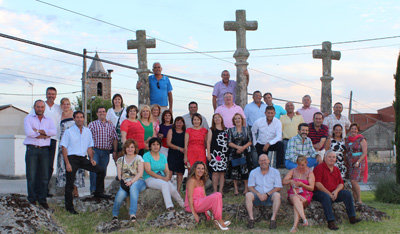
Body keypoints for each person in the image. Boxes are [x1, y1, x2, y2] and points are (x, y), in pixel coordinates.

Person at [61, 111, 110, 214]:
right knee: (70, 183)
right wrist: (67, 163)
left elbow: (89, 146)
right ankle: (69, 207)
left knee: (101, 170)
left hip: (83, 158)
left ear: (84, 119)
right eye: (77, 117)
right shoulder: (68, 132)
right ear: (74, 119)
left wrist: (91, 159)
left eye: (81, 117)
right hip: (72, 158)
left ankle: (98, 192)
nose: (79, 119)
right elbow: (64, 148)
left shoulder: (87, 131)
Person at [312, 150, 361, 230]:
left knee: (347, 193)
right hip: (319, 192)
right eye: (329, 157)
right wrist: (329, 194)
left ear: (336, 159)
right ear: (325, 158)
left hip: (333, 192)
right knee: (326, 197)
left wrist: (336, 192)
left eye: (333, 157)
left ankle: (352, 218)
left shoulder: (336, 169)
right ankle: (331, 222)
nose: (332, 159)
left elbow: (341, 183)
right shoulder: (319, 168)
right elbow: (317, 184)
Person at [24, 100, 56, 208]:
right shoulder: (28, 118)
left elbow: (53, 132)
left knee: (44, 176)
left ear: (44, 108)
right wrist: (44, 134)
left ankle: (42, 200)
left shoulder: (49, 120)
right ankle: (32, 199)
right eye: (38, 107)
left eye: (42, 107)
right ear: (35, 107)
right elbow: (29, 133)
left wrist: (37, 131)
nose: (40, 109)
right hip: (32, 150)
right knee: (32, 176)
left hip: (44, 150)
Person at [30, 87, 61, 197]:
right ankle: (36, 191)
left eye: (53, 94)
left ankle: (44, 190)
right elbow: (31, 121)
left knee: (49, 167)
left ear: (56, 95)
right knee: (39, 166)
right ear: (46, 94)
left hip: (53, 140)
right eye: (49, 94)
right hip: (40, 140)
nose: (51, 96)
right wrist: (43, 133)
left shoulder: (58, 108)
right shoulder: (41, 106)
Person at [185, 161, 230, 231]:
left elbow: (204, 196)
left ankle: (218, 219)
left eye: (202, 169)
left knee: (218, 195)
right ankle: (219, 220)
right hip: (193, 204)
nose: (201, 170)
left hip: (200, 203)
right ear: (194, 169)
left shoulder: (201, 181)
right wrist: (194, 213)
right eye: (198, 168)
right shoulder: (191, 181)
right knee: (217, 195)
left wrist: (206, 210)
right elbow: (189, 197)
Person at [143, 137, 184, 211]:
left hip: (162, 178)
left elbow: (167, 170)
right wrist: (163, 178)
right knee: (164, 184)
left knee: (173, 189)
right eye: (153, 144)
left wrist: (167, 176)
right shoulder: (146, 155)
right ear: (150, 146)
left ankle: (183, 205)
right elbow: (148, 171)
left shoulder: (162, 156)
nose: (156, 146)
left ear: (160, 146)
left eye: (157, 144)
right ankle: (169, 207)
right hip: (150, 178)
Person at [56, 98, 85, 197]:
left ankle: (75, 190)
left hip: (74, 147)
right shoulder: (58, 116)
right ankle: (67, 190)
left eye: (68, 104)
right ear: (61, 106)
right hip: (63, 146)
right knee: (64, 168)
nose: (66, 106)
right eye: (64, 104)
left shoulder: (75, 116)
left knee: (74, 168)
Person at [112, 139, 146, 222]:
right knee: (120, 195)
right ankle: (115, 215)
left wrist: (131, 181)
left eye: (132, 147)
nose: (130, 149)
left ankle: (132, 214)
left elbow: (140, 173)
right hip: (126, 182)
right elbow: (119, 175)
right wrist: (125, 181)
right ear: (125, 149)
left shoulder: (139, 158)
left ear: (135, 148)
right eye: (128, 147)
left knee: (134, 188)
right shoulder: (120, 160)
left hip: (138, 181)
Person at [245, 154, 282, 229]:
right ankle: (251, 219)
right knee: (248, 195)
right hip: (257, 196)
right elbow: (250, 187)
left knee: (277, 195)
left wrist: (267, 194)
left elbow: (278, 187)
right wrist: (258, 194)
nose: (263, 162)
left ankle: (273, 220)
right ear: (258, 162)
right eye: (261, 160)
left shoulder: (275, 172)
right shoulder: (253, 172)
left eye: (265, 160)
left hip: (270, 196)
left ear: (268, 161)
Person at [88, 106, 118, 195]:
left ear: (106, 113)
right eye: (100, 112)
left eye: (104, 111)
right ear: (97, 114)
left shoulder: (111, 125)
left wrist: (115, 151)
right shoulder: (92, 124)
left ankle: (100, 190)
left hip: (106, 152)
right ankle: (93, 190)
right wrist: (89, 151)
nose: (102, 113)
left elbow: (115, 138)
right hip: (95, 151)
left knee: (103, 171)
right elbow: (88, 138)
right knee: (93, 170)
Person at [282, 156, 315, 233]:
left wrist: (302, 184)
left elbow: (312, 188)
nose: (301, 167)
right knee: (296, 198)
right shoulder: (293, 171)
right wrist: (290, 181)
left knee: (296, 201)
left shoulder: (310, 172)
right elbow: (284, 181)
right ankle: (304, 219)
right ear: (297, 164)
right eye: (299, 165)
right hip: (294, 193)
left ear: (306, 163)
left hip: (305, 194)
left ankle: (294, 227)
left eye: (303, 165)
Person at [227, 113, 253, 195]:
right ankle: (236, 189)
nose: (237, 120)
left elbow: (250, 141)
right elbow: (229, 142)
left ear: (242, 120)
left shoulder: (247, 129)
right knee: (235, 171)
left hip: (245, 152)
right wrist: (238, 148)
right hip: (234, 153)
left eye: (239, 118)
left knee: (245, 170)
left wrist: (242, 148)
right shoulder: (231, 130)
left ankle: (246, 188)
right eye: (236, 119)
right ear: (233, 121)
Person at [345, 123, 368, 204]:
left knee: (354, 181)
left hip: (358, 162)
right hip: (350, 162)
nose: (353, 130)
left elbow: (364, 152)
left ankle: (359, 199)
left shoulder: (361, 139)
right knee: (351, 181)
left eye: (355, 129)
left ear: (358, 130)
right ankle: (355, 200)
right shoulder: (348, 139)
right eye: (352, 128)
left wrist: (358, 162)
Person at [206, 113, 228, 194]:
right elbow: (208, 142)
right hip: (214, 154)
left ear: (221, 119)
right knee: (215, 173)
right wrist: (208, 153)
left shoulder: (226, 129)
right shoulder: (211, 130)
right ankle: (215, 191)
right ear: (213, 120)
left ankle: (221, 190)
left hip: (224, 154)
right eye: (215, 118)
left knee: (222, 173)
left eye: (218, 117)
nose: (217, 119)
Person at [166, 116, 186, 192]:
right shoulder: (171, 131)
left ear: (183, 123)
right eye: (177, 122)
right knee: (170, 171)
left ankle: (178, 191)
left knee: (180, 173)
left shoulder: (185, 132)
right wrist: (179, 148)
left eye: (181, 122)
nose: (179, 124)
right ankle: (167, 189)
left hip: (182, 155)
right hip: (172, 154)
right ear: (175, 123)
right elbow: (168, 143)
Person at [106, 93, 127, 161]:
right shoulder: (110, 111)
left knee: (124, 155)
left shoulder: (125, 110)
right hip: (114, 136)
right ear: (113, 101)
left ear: (121, 100)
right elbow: (106, 121)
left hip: (123, 135)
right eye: (115, 99)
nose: (117, 101)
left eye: (119, 99)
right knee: (116, 157)